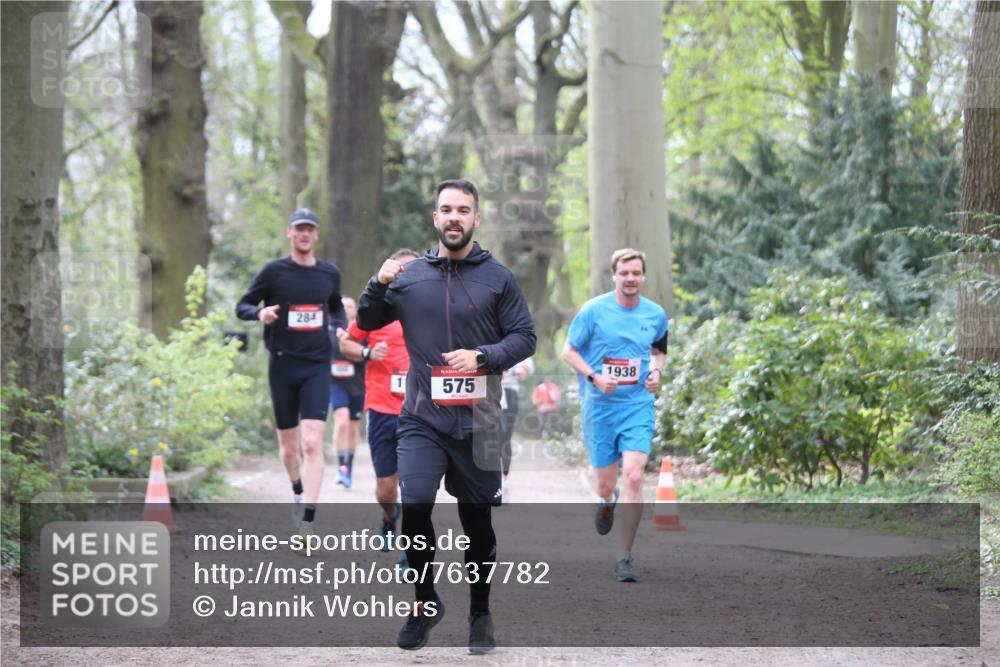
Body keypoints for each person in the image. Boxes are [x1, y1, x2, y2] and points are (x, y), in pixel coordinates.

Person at [357, 179, 535, 654]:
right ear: (435, 218)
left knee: (477, 521)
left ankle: (480, 613)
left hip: (481, 422)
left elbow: (525, 337)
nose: (454, 217)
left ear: (476, 218)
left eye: (463, 210)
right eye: (446, 209)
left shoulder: (498, 278)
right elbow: (368, 321)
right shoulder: (410, 277)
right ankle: (424, 602)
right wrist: (377, 282)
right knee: (415, 504)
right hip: (423, 418)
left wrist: (483, 356)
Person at [235, 208, 346, 543]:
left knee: (311, 443)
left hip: (317, 365)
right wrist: (260, 313)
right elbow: (242, 306)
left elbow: (336, 306)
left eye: (310, 229)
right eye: (299, 229)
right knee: (288, 450)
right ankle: (297, 492)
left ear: (316, 235)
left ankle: (308, 523)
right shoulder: (274, 272)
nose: (305, 234)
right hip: (282, 364)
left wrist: (339, 327)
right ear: (290, 233)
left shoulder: (329, 273)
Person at [560, 248, 668, 583]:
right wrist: (594, 377)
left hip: (637, 405)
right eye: (624, 273)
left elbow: (659, 350)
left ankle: (624, 556)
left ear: (643, 276)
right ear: (614, 275)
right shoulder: (594, 311)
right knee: (606, 484)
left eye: (636, 273)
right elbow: (568, 351)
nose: (630, 279)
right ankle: (607, 501)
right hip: (600, 408)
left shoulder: (655, 314)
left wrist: (656, 372)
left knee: (634, 475)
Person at [339, 249, 420, 548]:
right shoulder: (375, 312)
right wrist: (368, 352)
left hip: (419, 411)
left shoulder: (430, 313)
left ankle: (410, 548)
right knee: (386, 490)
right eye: (401, 271)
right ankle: (389, 515)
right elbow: (346, 343)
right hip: (382, 408)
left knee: (416, 486)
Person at [329, 296, 365, 489]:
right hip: (335, 383)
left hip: (358, 384)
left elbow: (368, 353)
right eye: (342, 306)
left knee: (352, 426)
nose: (345, 309)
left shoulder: (363, 329)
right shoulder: (330, 329)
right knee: (341, 420)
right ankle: (341, 466)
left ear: (355, 310)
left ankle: (348, 468)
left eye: (349, 306)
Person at [497, 357, 534, 502]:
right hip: (486, 390)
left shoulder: (515, 343)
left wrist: (518, 370)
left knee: (505, 438)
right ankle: (489, 482)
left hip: (508, 392)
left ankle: (504, 482)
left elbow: (525, 368)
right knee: (488, 436)